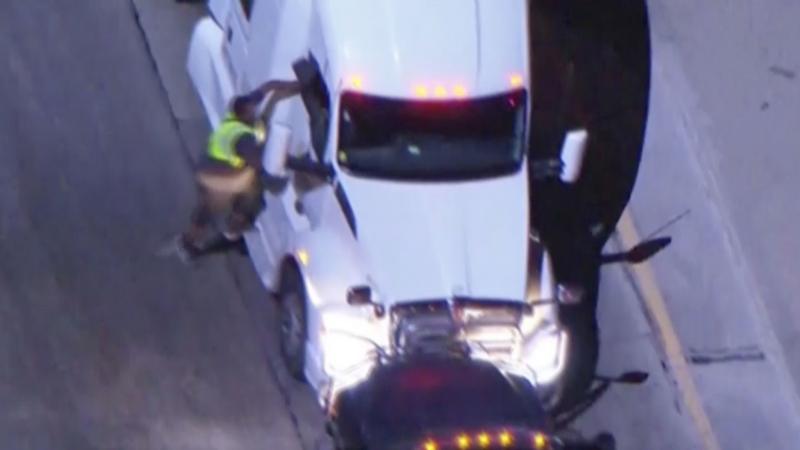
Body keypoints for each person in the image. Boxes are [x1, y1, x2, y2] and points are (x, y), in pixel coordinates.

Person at [177, 79, 300, 261]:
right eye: (251, 110)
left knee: (208, 208)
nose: (254, 110)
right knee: (249, 195)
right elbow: (259, 162)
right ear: (243, 113)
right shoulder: (240, 136)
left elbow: (268, 88)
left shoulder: (239, 113)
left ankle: (194, 239)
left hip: (211, 169)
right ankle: (229, 234)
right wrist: (287, 162)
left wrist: (295, 85)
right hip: (219, 177)